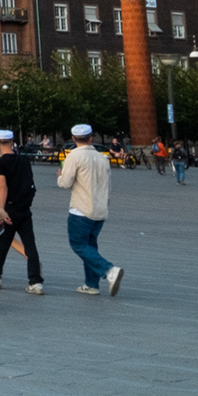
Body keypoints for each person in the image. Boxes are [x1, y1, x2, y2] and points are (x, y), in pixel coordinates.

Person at [58, 123, 123, 296]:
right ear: (91, 137)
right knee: (90, 246)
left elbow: (65, 183)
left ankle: (109, 270)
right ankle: (91, 284)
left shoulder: (74, 156)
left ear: (73, 138)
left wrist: (60, 176)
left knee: (78, 244)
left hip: (81, 209)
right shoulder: (102, 158)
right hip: (100, 209)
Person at [0, 131, 43, 294]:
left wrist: (1, 211)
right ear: (11, 142)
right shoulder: (24, 161)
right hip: (24, 208)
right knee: (30, 244)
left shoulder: (0, 163)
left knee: (2, 243)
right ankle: (35, 281)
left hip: (9, 208)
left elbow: (2, 187)